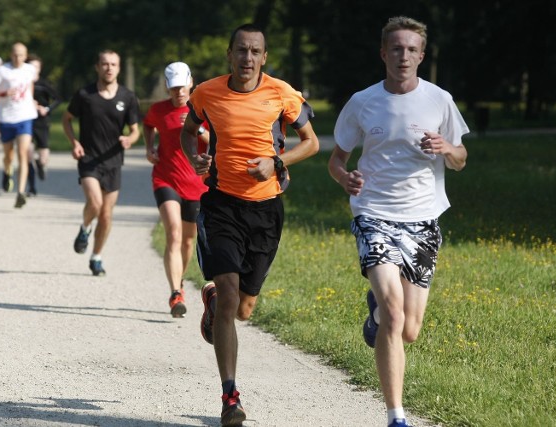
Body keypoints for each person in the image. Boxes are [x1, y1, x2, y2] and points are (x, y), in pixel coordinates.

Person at [327, 16, 469, 427]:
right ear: (383, 53)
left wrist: (447, 148)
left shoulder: (440, 100)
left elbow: (461, 160)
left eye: (411, 49)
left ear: (421, 55)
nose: (403, 55)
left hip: (423, 220)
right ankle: (396, 416)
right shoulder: (363, 101)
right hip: (374, 215)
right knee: (394, 313)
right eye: (396, 48)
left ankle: (375, 319)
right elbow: (337, 160)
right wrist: (345, 178)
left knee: (409, 330)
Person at [181, 23, 319, 427]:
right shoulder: (206, 93)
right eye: (241, 50)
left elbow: (310, 142)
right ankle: (230, 397)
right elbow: (190, 133)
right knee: (229, 296)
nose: (247, 58)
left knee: (244, 308)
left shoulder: (283, 94)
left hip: (266, 209)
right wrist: (196, 158)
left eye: (255, 52)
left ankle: (212, 304)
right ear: (229, 54)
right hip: (221, 204)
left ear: (264, 57)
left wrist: (276, 163)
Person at [62, 50, 141, 277]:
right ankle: (85, 228)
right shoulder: (84, 95)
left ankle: (96, 256)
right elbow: (67, 119)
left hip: (113, 161)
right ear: (97, 67)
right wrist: (73, 141)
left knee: (106, 215)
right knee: (95, 204)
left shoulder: (127, 97)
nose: (109, 68)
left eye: (113, 64)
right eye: (105, 64)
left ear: (118, 68)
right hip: (88, 159)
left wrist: (129, 139)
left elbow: (135, 130)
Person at [143, 62, 209, 318]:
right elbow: (148, 125)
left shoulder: (204, 109)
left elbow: (217, 141)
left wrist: (198, 128)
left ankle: (179, 280)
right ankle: (175, 293)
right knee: (173, 232)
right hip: (165, 179)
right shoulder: (158, 110)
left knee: (189, 240)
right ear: (167, 88)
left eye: (182, 87)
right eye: (173, 89)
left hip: (197, 184)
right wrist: (150, 148)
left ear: (191, 82)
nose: (179, 93)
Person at [0, 45, 37, 208]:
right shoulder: (2, 71)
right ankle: (7, 171)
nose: (17, 58)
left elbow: (30, 86)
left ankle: (21, 192)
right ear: (10, 55)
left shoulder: (30, 70)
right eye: (15, 55)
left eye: (21, 55)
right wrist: (2, 94)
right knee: (8, 155)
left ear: (26, 55)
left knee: (23, 153)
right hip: (6, 118)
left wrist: (32, 101)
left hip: (25, 116)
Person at [25, 54, 61, 196]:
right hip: (27, 121)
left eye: (37, 67)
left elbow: (58, 99)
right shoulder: (23, 83)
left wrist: (46, 109)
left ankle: (41, 164)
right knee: (27, 154)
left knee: (43, 156)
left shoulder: (43, 84)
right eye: (31, 67)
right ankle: (31, 187)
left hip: (42, 122)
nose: (34, 70)